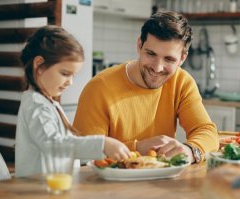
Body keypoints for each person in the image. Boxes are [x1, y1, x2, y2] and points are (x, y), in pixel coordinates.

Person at [73, 11, 218, 164]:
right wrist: (136, 148)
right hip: (110, 185)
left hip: (162, 182)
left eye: (169, 59)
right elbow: (82, 155)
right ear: (139, 45)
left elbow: (207, 131)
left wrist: (190, 150)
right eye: (151, 54)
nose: (157, 67)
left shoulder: (182, 82)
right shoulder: (99, 88)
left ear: (182, 58)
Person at [15, 26, 130, 177]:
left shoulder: (48, 103)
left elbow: (67, 144)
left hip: (56, 186)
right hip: (38, 190)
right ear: (39, 64)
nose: (70, 82)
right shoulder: (35, 104)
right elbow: (53, 145)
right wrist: (102, 143)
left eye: (73, 76)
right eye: (65, 73)